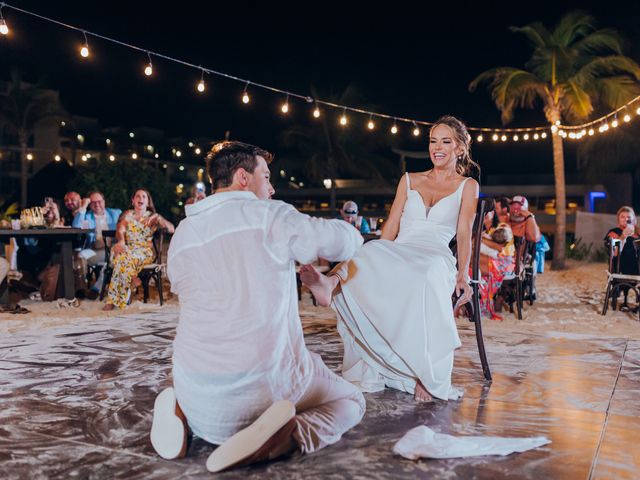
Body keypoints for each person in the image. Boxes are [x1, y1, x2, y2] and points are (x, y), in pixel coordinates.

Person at [152, 141, 365, 473]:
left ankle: (180, 412)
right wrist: (353, 233)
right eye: (266, 176)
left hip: (193, 385)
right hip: (263, 389)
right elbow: (340, 242)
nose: (271, 187)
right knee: (351, 401)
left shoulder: (183, 232)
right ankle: (284, 438)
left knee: (203, 367)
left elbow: (181, 286)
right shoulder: (270, 215)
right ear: (243, 177)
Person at [300, 115, 479, 403]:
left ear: (460, 148)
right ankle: (329, 283)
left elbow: (464, 231)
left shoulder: (467, 185)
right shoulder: (409, 180)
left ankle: (424, 372)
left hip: (435, 255)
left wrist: (462, 275)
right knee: (370, 250)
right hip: (402, 248)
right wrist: (377, 259)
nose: (437, 147)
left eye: (446, 141)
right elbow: (391, 226)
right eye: (433, 141)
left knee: (427, 274)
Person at [102, 189, 174, 310]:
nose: (140, 198)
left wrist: (158, 216)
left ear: (148, 202)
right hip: (128, 249)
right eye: (138, 196)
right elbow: (120, 230)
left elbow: (171, 229)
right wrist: (121, 241)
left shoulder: (152, 217)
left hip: (144, 252)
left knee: (122, 258)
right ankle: (132, 278)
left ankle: (113, 301)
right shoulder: (127, 215)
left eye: (144, 197)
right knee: (119, 254)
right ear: (133, 200)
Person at [72, 192, 122, 298]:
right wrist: (83, 206)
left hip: (113, 249)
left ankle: (96, 288)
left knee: (110, 259)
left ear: (104, 202)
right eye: (93, 202)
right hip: (94, 249)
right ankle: (81, 289)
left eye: (99, 201)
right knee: (79, 255)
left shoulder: (116, 213)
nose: (97, 204)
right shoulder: (86, 215)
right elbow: (75, 226)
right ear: (90, 205)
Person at [605, 206, 640, 276]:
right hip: (621, 267)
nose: (626, 219)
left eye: (629, 217)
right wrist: (623, 237)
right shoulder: (614, 232)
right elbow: (614, 253)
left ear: (633, 219)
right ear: (618, 219)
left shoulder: (638, 233)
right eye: (622, 217)